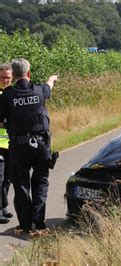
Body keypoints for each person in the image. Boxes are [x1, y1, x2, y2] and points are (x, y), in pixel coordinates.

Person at [0, 58, 59, 233]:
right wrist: (53, 78)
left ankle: (25, 225)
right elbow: (49, 85)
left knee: (21, 185)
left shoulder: (8, 95)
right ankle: (39, 222)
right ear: (29, 73)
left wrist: (10, 124)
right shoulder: (39, 90)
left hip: (19, 146)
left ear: (14, 75)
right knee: (40, 183)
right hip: (41, 145)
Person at [0, 63, 13, 224]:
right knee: (0, 177)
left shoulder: (12, 93)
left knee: (8, 178)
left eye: (8, 78)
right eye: (2, 77)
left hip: (11, 142)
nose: (5, 80)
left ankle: (3, 207)